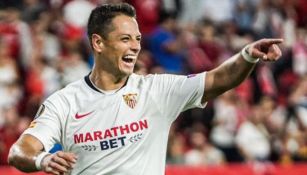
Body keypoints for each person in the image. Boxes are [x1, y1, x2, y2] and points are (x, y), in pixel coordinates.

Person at [8, 3, 283, 175]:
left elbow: (218, 79)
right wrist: (43, 160)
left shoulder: (157, 90)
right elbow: (20, 151)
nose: (135, 46)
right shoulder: (65, 102)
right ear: (98, 43)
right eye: (125, 39)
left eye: (137, 39)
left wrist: (248, 54)